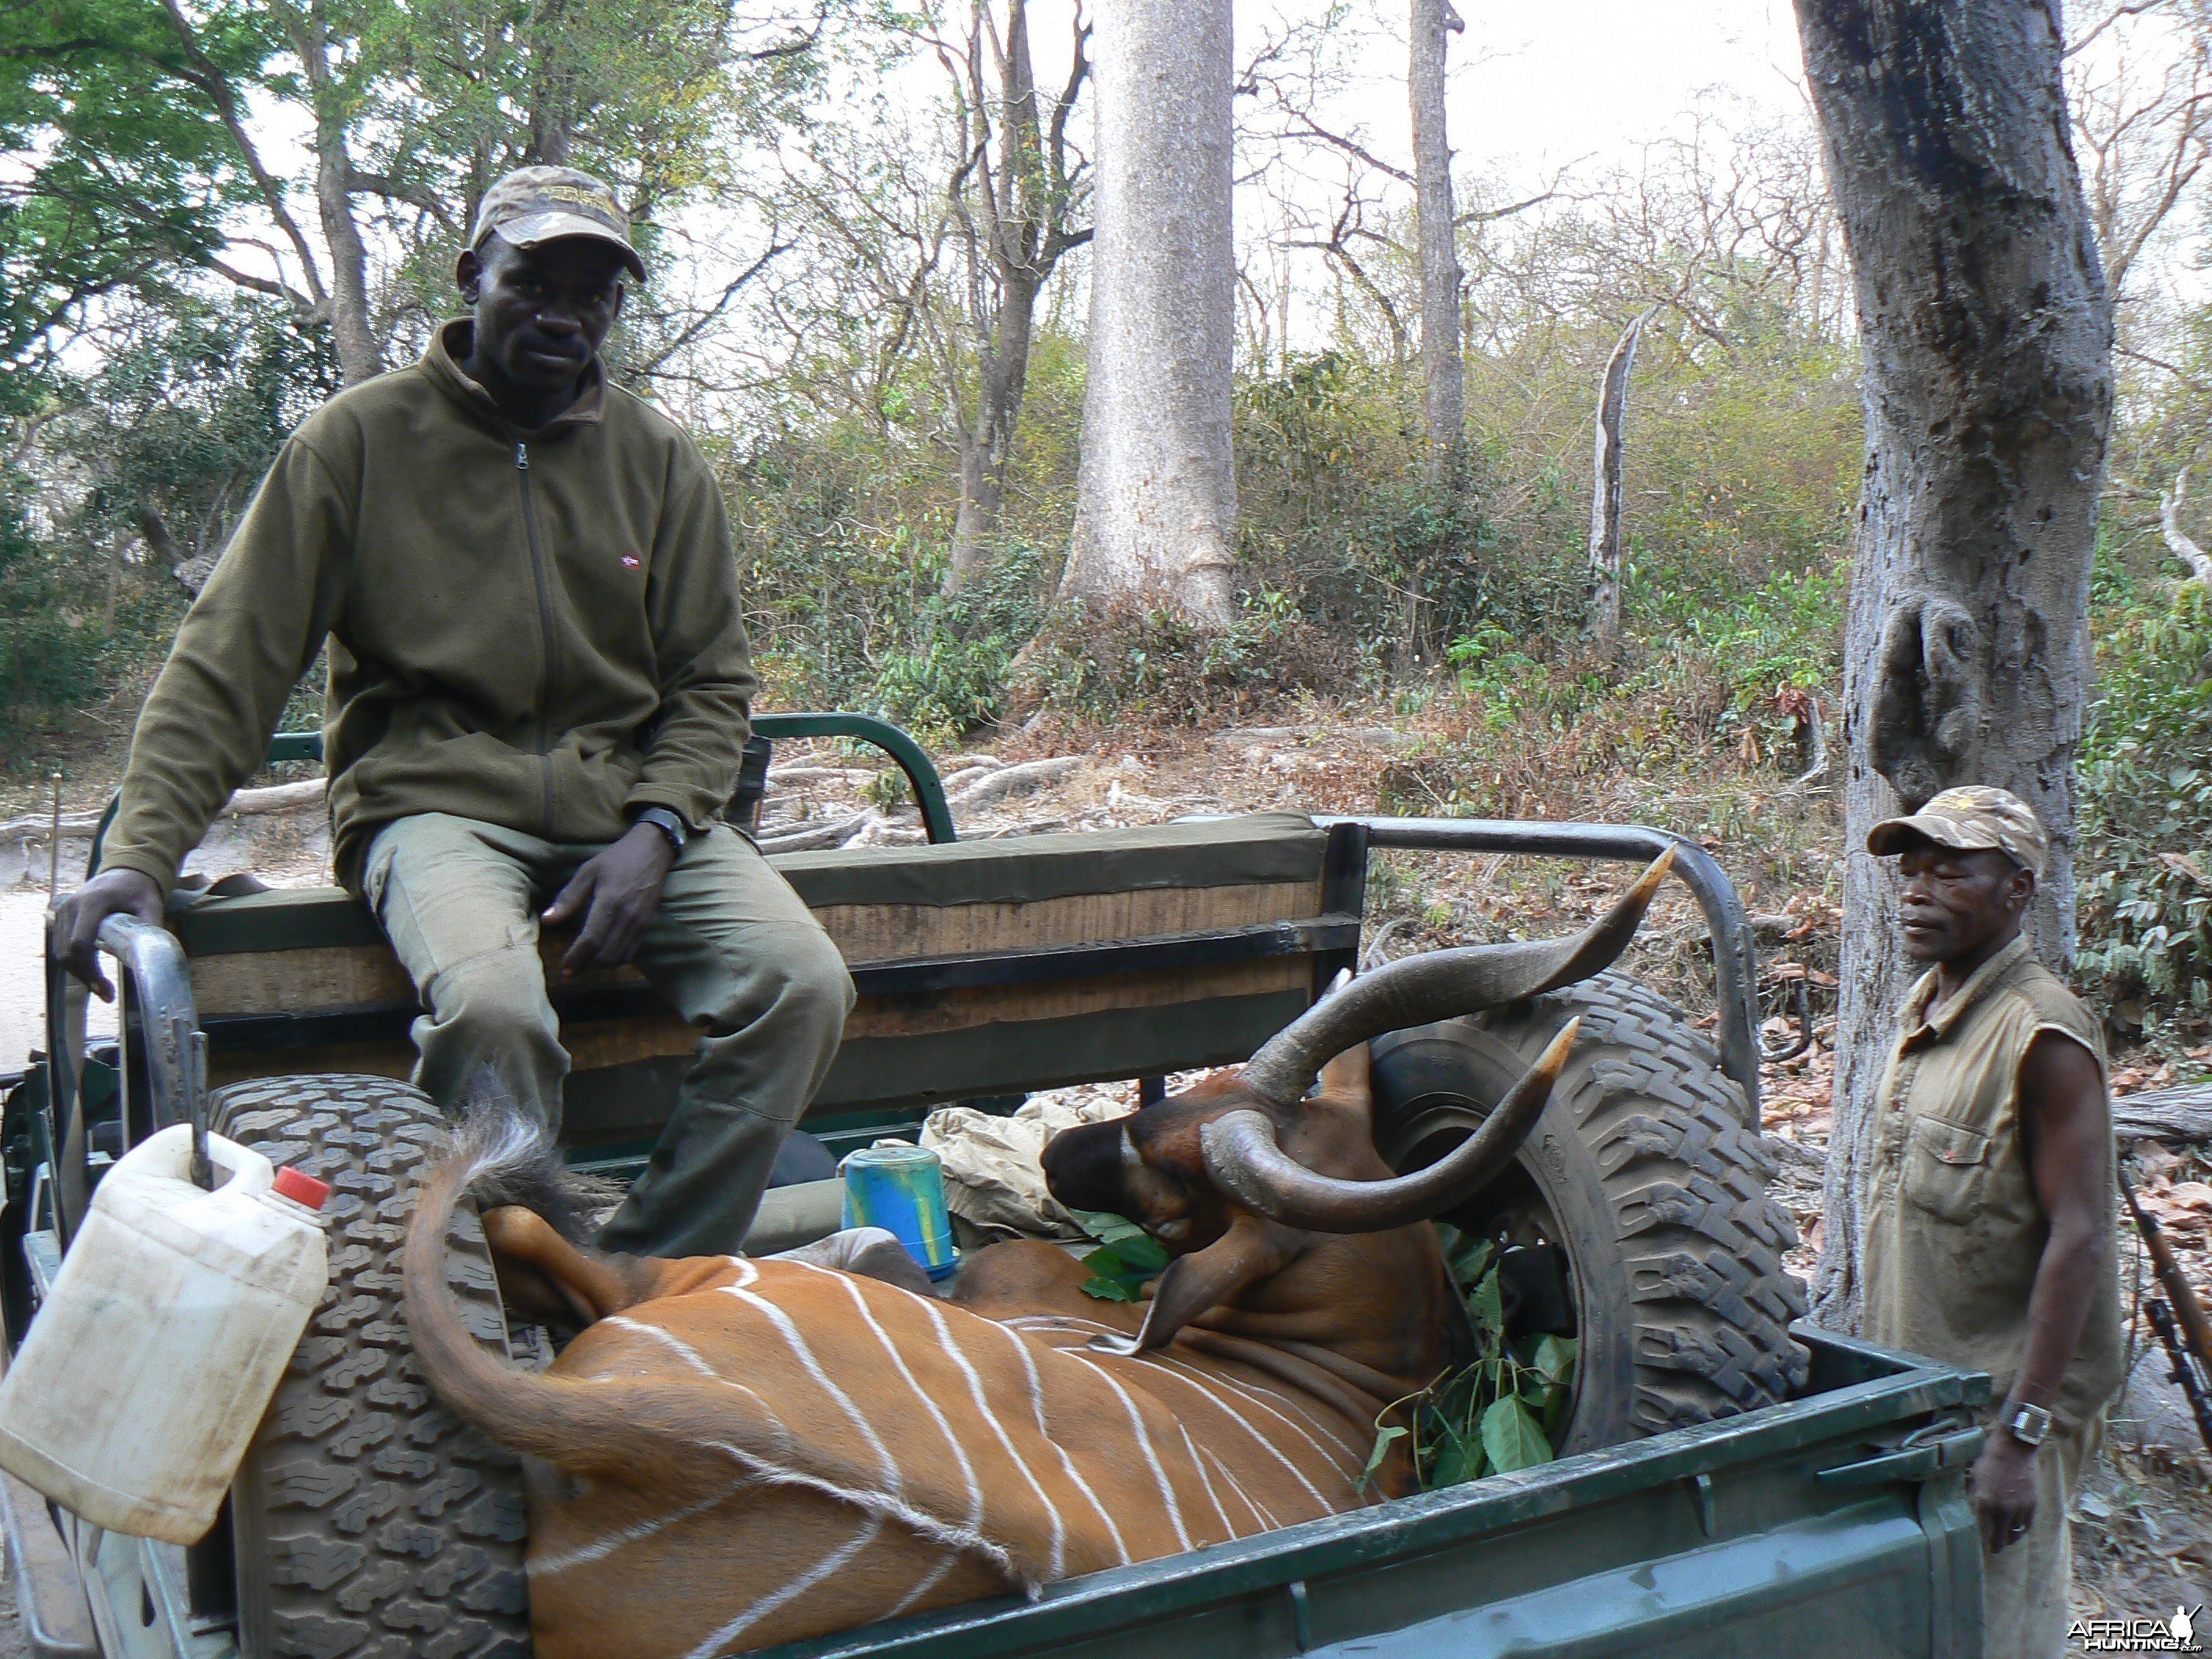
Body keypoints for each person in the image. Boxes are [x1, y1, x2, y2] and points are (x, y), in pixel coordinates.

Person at [51, 166, 853, 1258]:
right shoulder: (358, 443)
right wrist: (141, 854)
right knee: (496, 1017)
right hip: (434, 806)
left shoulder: (656, 458)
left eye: (595, 292)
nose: (564, 313)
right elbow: (226, 664)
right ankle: (507, 1284)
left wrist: (658, 831)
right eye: (534, 279)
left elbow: (711, 685)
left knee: (802, 988)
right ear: (473, 274)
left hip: (627, 810)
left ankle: (633, 1283)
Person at [1860, 786, 2125, 1657]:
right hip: (1919, 1401)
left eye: (1949, 870)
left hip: (1998, 1415)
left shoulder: (2040, 1033)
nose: (1916, 889)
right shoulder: (1927, 1010)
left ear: (2015, 889)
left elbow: (2079, 1236)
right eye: (1910, 870)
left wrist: (2018, 1436)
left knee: (1997, 1633)